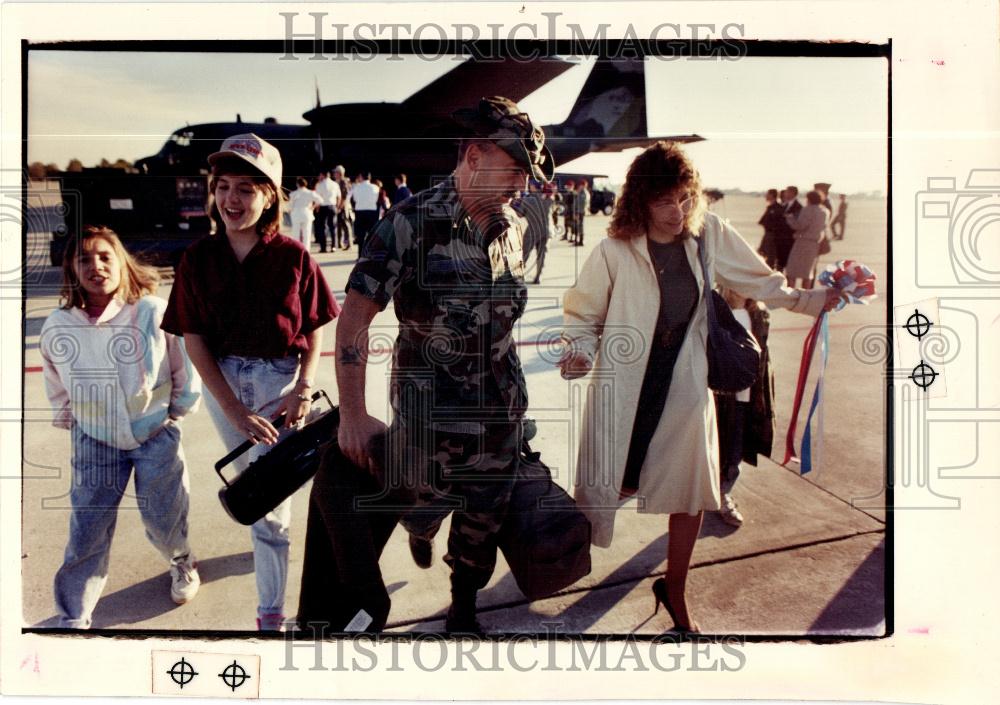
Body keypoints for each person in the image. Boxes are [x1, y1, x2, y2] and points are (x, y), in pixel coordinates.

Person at [558, 142, 841, 632]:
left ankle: (677, 589)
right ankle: (559, 562)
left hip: (685, 383)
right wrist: (579, 350)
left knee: (691, 493)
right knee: (614, 485)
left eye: (686, 197)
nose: (679, 211)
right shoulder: (613, 251)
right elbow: (582, 315)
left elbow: (763, 282)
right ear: (640, 201)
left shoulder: (708, 235)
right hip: (626, 386)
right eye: (665, 201)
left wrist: (815, 300)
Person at [319, 96, 555, 634]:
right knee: (421, 506)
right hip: (431, 419)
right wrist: (353, 416)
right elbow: (354, 322)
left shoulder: (515, 226)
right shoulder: (407, 224)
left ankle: (464, 605)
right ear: (474, 155)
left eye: (527, 174)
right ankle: (420, 529)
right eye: (515, 170)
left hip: (500, 410)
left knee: (484, 518)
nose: (522, 186)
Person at [162, 134, 340, 631]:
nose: (231, 200)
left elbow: (314, 326)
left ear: (270, 196)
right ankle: (269, 553)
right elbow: (193, 338)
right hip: (225, 389)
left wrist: (305, 387)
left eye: (246, 188)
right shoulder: (198, 258)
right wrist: (235, 411)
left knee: (268, 507)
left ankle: (270, 615)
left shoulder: (293, 256)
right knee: (263, 492)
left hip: (280, 382)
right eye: (223, 187)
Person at [41, 226, 202, 629]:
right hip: (95, 439)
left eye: (104, 256)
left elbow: (184, 366)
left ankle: (181, 561)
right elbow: (56, 382)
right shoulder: (60, 325)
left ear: (121, 262)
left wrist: (174, 413)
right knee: (87, 531)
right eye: (84, 259)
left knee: (164, 518)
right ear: (72, 270)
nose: (95, 266)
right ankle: (73, 615)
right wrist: (73, 420)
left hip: (153, 436)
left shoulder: (151, 310)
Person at [712, 287, 776, 528]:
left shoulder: (758, 313)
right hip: (719, 392)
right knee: (716, 444)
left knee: (737, 446)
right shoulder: (715, 307)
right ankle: (708, 491)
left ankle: (723, 493)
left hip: (748, 393)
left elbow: (764, 352)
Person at [785, 190, 830, 288]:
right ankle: (807, 296)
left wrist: (790, 218)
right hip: (815, 244)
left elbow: (800, 226)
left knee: (792, 272)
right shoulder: (825, 211)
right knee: (808, 273)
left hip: (802, 242)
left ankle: (791, 296)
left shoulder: (807, 209)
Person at [516, 181, 554, 284]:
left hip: (532, 230)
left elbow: (520, 214)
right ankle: (538, 276)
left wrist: (515, 203)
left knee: (524, 253)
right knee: (542, 254)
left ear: (533, 186)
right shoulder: (549, 199)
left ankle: (519, 275)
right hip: (547, 230)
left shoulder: (528, 199)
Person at [351, 172, 381, 256]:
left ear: (361, 177)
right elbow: (376, 199)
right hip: (372, 211)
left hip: (360, 211)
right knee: (372, 234)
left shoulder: (356, 187)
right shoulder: (375, 187)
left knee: (360, 235)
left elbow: (355, 199)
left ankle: (360, 254)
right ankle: (372, 254)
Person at [288, 177, 323, 249]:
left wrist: (290, 211)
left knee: (295, 233)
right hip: (307, 213)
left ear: (297, 184)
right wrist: (313, 206)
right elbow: (320, 200)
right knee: (307, 233)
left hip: (296, 213)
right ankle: (306, 250)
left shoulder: (293, 194)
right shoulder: (310, 193)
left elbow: (290, 206)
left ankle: (296, 249)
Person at [773, 186, 802, 271]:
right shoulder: (783, 205)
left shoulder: (798, 207)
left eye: (787, 192)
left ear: (793, 193)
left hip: (789, 239)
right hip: (779, 239)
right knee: (779, 262)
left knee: (788, 262)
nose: (785, 194)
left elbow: (797, 223)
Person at [756, 188, 784, 269]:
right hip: (767, 235)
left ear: (772, 195)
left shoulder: (778, 208)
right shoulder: (770, 207)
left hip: (773, 237)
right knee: (761, 254)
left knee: (770, 258)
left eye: (768, 194)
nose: (766, 196)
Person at [313, 170, 340, 253]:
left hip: (322, 207)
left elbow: (317, 197)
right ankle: (333, 246)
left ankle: (323, 247)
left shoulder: (319, 185)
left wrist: (316, 207)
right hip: (332, 206)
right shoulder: (335, 184)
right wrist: (337, 207)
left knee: (322, 227)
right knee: (333, 227)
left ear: (323, 176)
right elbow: (339, 196)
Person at [332, 165, 354, 250]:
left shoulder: (343, 182)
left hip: (343, 206)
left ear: (340, 173)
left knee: (345, 224)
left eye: (335, 172)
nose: (334, 174)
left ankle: (349, 243)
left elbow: (345, 196)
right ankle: (340, 243)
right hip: (338, 206)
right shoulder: (337, 182)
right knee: (339, 225)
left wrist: (340, 207)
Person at [573, 179, 591, 246]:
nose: (579, 186)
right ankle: (579, 240)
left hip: (581, 212)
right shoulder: (580, 192)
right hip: (579, 212)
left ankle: (581, 241)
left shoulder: (584, 193)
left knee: (580, 226)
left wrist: (577, 213)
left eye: (580, 185)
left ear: (583, 185)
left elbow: (582, 204)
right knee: (579, 226)